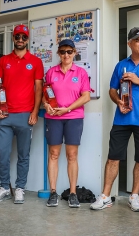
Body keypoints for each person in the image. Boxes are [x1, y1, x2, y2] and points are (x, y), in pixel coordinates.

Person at [90, 27, 139, 211]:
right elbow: (112, 89)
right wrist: (118, 101)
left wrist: (138, 80)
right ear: (129, 44)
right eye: (138, 40)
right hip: (122, 119)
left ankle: (134, 196)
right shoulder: (120, 65)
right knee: (113, 158)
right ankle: (105, 196)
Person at [0, 24, 43, 204]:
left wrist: (35, 111)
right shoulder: (4, 60)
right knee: (2, 153)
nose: (20, 40)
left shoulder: (36, 61)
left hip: (25, 115)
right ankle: (5, 187)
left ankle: (20, 188)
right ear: (13, 38)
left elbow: (38, 88)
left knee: (23, 154)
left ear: (28, 40)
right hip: (4, 115)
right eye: (17, 37)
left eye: (24, 37)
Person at [43, 39, 91, 208]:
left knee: (72, 155)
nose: (66, 55)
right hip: (53, 118)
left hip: (73, 117)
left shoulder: (81, 73)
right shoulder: (51, 72)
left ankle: (72, 194)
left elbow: (86, 96)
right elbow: (45, 94)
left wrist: (68, 109)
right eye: (62, 52)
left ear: (74, 53)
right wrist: (46, 105)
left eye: (69, 51)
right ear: (58, 54)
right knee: (54, 154)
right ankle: (53, 193)